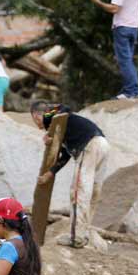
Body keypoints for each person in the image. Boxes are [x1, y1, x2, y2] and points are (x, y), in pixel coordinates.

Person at [31, 101, 108, 249]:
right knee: (92, 194)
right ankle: (84, 233)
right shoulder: (63, 126)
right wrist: (51, 173)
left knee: (78, 192)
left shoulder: (56, 116)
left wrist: (48, 129)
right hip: (102, 144)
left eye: (36, 119)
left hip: (89, 146)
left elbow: (64, 108)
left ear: (36, 116)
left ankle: (76, 237)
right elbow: (66, 154)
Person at [91, 0, 138, 99]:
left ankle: (131, 91)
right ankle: (131, 89)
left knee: (124, 60)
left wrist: (98, 2)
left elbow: (114, 9)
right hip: (134, 28)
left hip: (122, 28)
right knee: (128, 60)